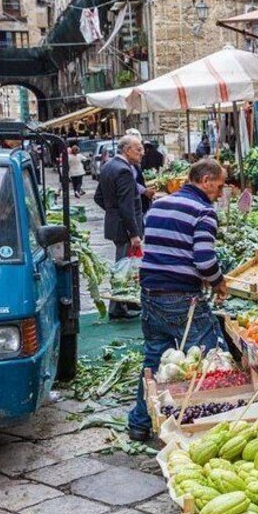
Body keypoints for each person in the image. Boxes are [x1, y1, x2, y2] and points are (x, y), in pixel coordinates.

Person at [127, 159, 229, 442]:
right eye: (219, 186)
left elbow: (158, 247)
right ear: (206, 180)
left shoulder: (158, 205)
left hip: (149, 295)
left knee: (155, 358)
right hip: (182, 297)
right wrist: (219, 282)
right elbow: (205, 260)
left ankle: (139, 422)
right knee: (210, 358)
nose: (220, 193)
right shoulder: (203, 212)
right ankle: (206, 425)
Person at [95, 134, 145, 320]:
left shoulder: (108, 166)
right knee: (122, 268)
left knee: (122, 266)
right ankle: (117, 308)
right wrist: (134, 233)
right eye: (138, 149)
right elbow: (127, 205)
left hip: (117, 225)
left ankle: (121, 305)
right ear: (127, 150)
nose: (142, 153)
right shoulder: (124, 170)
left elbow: (98, 197)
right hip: (125, 228)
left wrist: (112, 213)